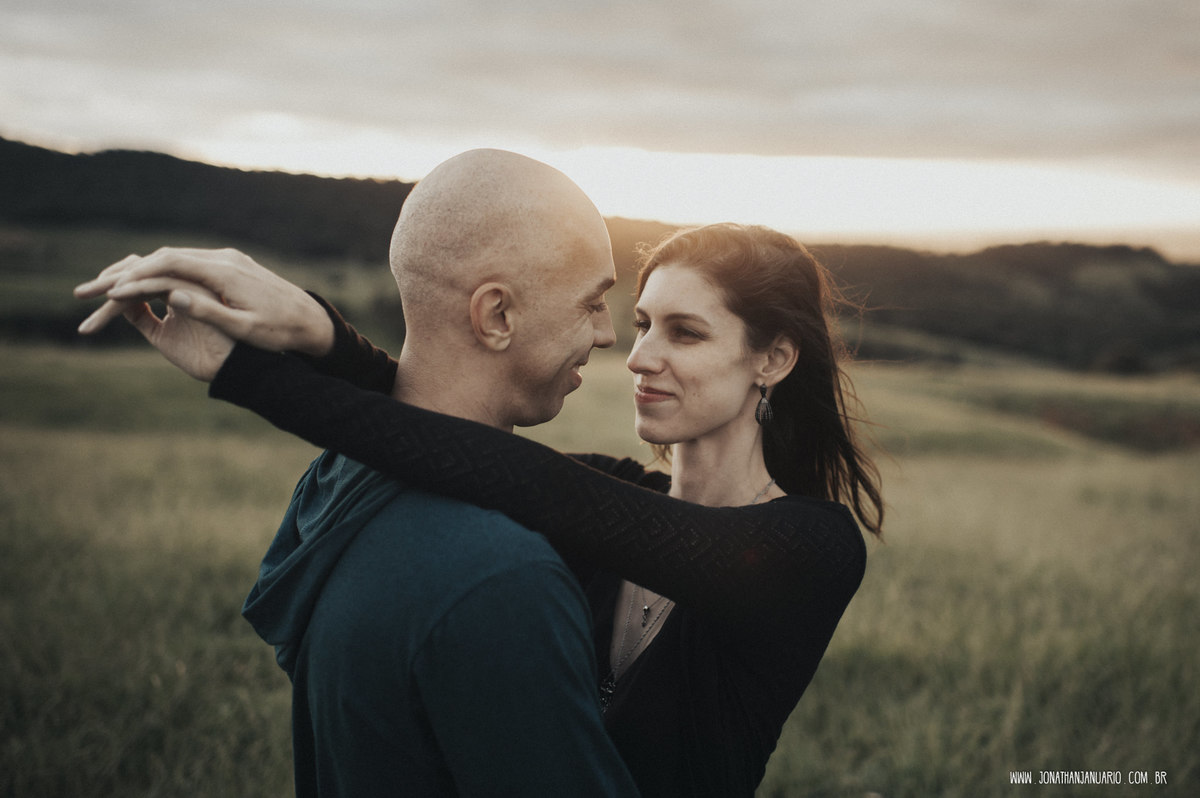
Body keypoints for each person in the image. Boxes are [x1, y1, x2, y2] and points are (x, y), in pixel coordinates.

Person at [80, 214, 884, 795]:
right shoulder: (610, 496)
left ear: (773, 359)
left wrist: (250, 374)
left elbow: (524, 481)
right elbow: (461, 446)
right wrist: (319, 332)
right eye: (641, 324)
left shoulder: (810, 548)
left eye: (685, 333)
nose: (639, 355)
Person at [79, 149, 640, 797]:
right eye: (592, 302)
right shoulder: (501, 578)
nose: (607, 333)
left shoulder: (339, 480)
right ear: (497, 316)